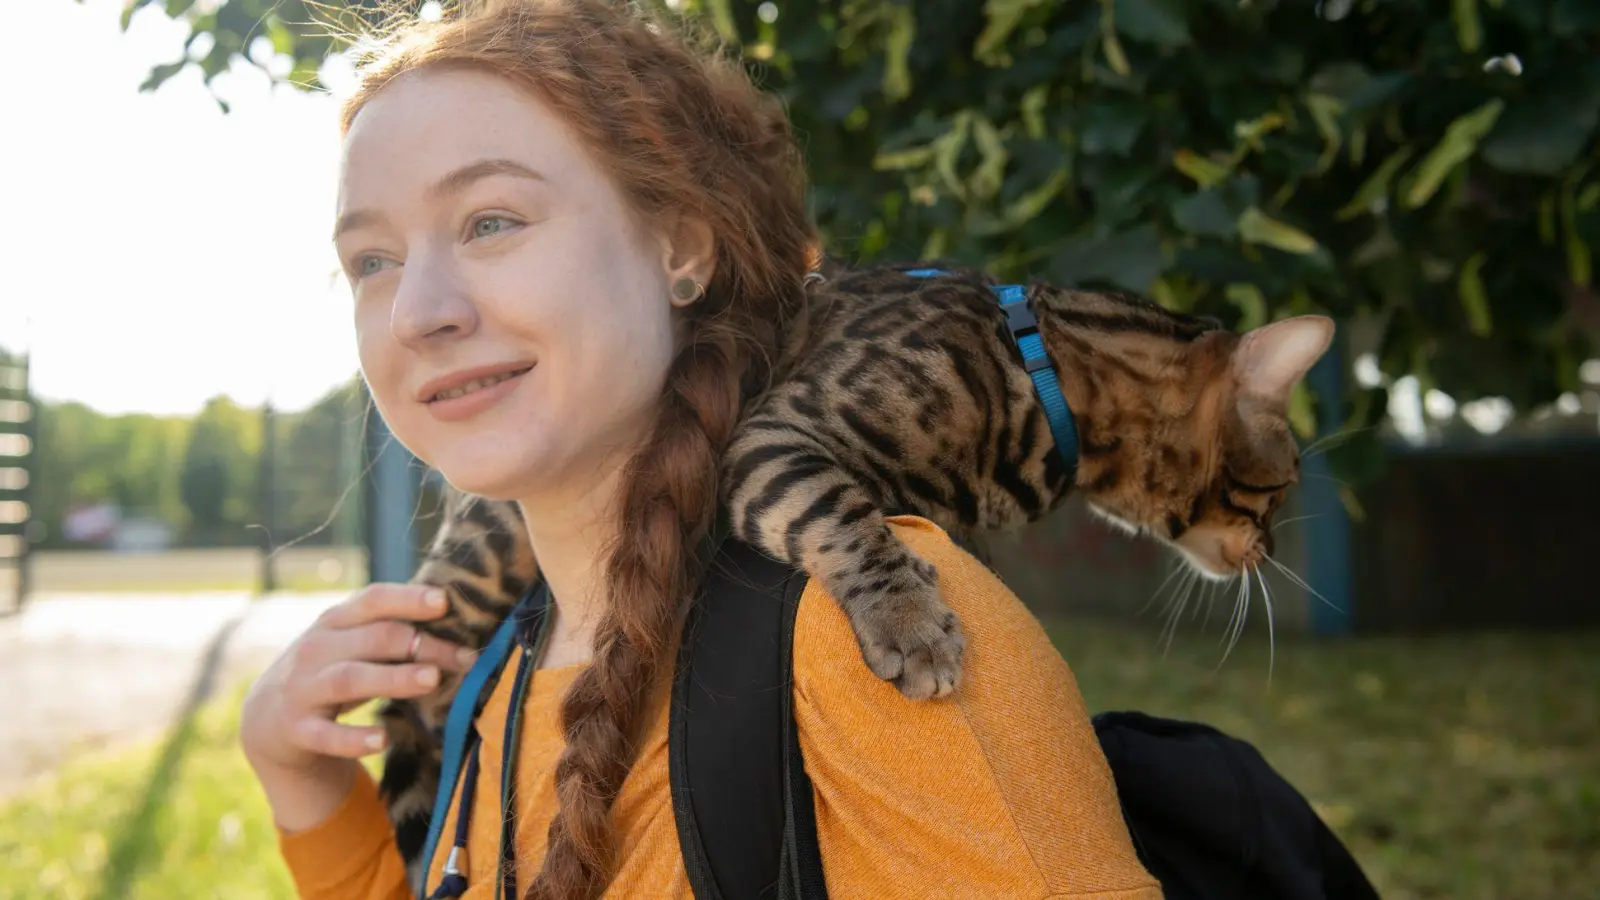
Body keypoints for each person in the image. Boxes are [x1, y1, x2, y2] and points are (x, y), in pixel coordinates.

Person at [238, 1, 1165, 898]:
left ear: (682, 249)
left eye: (492, 221)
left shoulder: (873, 628)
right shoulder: (497, 671)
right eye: (372, 260)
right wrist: (306, 788)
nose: (417, 311)